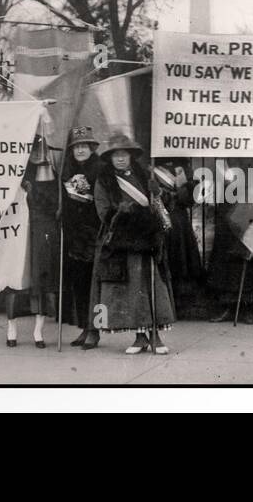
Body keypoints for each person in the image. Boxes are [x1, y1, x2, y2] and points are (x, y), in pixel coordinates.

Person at [92, 131, 174, 355]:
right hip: (123, 242)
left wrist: (158, 194)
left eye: (124, 154)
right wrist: (123, 214)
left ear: (130, 156)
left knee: (151, 287)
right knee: (130, 291)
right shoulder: (105, 182)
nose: (120, 158)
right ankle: (139, 337)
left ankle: (156, 336)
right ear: (109, 158)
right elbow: (104, 213)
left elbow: (159, 208)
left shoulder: (144, 175)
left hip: (147, 239)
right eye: (115, 155)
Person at [2, 138, 60, 349]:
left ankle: (38, 331)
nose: (38, 153)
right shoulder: (15, 172)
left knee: (41, 278)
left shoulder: (51, 176)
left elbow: (53, 206)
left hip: (41, 230)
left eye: (42, 149)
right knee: (15, 276)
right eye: (34, 149)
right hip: (18, 230)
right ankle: (11, 327)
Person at [205, 159, 253, 324]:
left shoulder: (252, 159)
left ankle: (249, 307)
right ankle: (227, 305)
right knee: (226, 263)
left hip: (248, 211)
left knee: (250, 261)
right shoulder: (223, 161)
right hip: (227, 212)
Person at [60, 126, 102, 350]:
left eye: (84, 146)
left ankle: (95, 329)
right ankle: (85, 327)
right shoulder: (67, 169)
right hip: (75, 235)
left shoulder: (100, 169)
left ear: (92, 148)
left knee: (94, 284)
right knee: (80, 284)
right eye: (77, 147)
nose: (80, 150)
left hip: (94, 233)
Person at [153, 156, 204, 307]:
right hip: (158, 217)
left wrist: (177, 192)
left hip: (178, 220)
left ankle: (180, 301)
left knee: (180, 258)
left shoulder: (185, 169)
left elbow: (190, 199)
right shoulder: (151, 169)